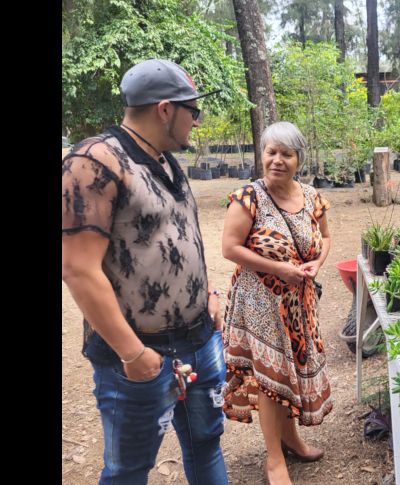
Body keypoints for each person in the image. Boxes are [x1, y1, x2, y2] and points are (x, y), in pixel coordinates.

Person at [61, 59, 229, 485]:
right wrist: (133, 355)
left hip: (199, 340)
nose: (197, 120)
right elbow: (77, 269)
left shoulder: (167, 160)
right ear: (165, 109)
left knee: (206, 444)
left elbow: (176, 239)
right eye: (193, 110)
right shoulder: (93, 163)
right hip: (139, 359)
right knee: (128, 471)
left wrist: (205, 292)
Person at [221, 121, 333, 485]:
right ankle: (274, 461)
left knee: (292, 374)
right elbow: (230, 248)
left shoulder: (313, 196)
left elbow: (326, 236)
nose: (277, 160)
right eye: (271, 152)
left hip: (299, 304)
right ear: (262, 155)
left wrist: (316, 262)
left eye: (286, 153)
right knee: (271, 377)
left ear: (299, 157)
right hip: (259, 305)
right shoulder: (248, 197)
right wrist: (278, 269)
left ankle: (292, 438)